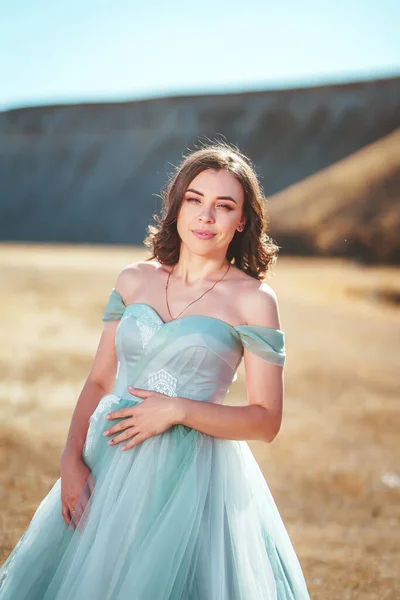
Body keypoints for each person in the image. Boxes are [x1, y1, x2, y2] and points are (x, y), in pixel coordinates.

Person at [0, 140, 311, 599]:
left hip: (194, 480)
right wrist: (70, 461)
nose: (206, 216)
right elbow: (101, 380)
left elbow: (266, 420)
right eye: (195, 200)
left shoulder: (254, 301)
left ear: (242, 220)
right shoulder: (133, 279)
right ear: (177, 205)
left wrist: (177, 410)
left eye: (224, 206)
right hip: (106, 466)